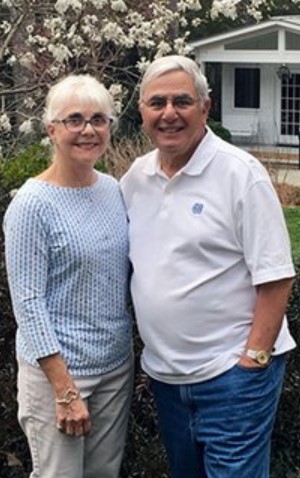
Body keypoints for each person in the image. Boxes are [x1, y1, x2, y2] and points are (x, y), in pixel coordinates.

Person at [120, 55, 296, 478]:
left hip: (231, 376)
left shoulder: (240, 174)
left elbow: (276, 276)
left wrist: (253, 360)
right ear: (142, 111)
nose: (169, 114)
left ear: (205, 107)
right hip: (167, 378)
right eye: (156, 103)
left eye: (182, 101)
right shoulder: (134, 179)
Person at [3, 74, 133, 478]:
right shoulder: (32, 204)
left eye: (99, 119)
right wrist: (64, 389)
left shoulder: (113, 190)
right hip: (58, 376)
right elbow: (28, 303)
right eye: (74, 119)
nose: (88, 130)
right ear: (51, 129)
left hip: (115, 368)